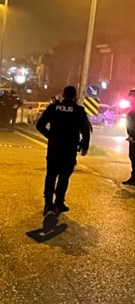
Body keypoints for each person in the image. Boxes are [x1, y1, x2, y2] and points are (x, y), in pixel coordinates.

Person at [35, 86, 91, 215]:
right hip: (69, 149)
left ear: (63, 95)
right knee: (64, 177)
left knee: (51, 175)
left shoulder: (54, 108)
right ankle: (59, 203)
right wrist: (84, 146)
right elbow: (85, 130)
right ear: (75, 96)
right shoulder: (78, 110)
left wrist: (51, 136)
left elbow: (39, 125)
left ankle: (48, 203)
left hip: (54, 148)